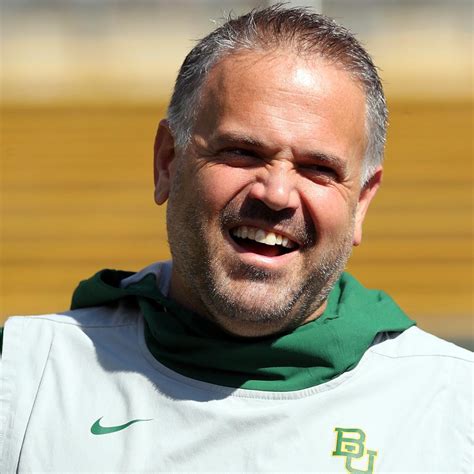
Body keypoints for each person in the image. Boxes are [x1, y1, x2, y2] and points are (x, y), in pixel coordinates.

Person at [0, 5, 472, 473]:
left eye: (318, 168)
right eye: (242, 152)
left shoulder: (452, 410)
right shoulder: (25, 380)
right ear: (167, 163)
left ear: (362, 201)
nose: (277, 193)